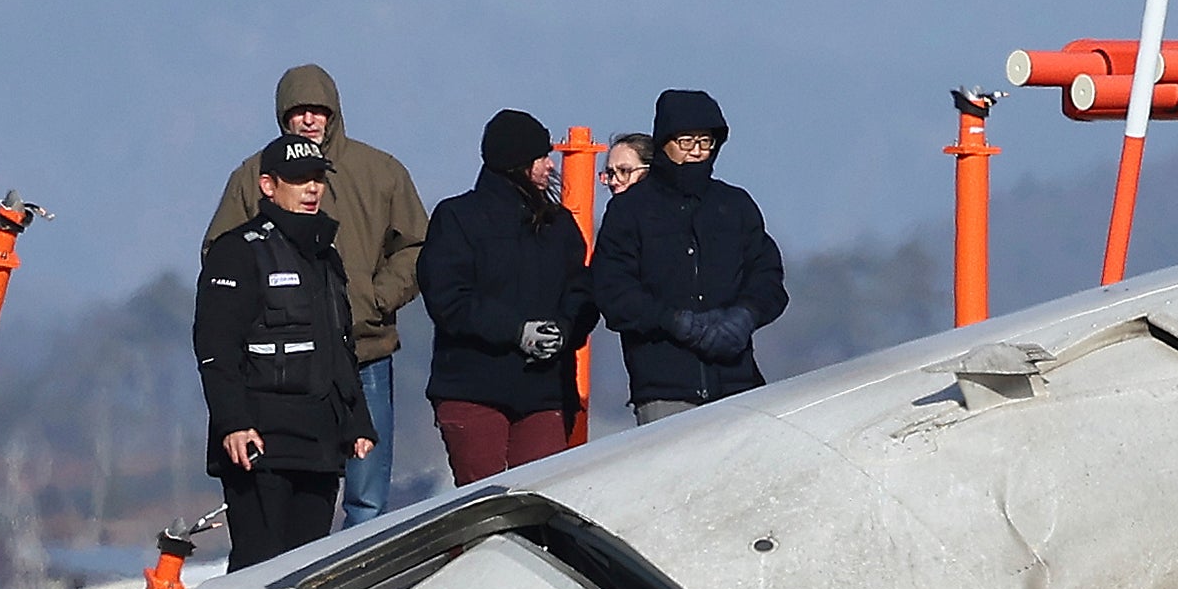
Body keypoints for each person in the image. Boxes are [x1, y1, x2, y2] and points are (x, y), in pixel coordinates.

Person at [204, 65, 429, 527]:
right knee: (294, 496)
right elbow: (220, 254)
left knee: (366, 497)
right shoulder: (252, 176)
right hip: (281, 369)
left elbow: (417, 246)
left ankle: (361, 586)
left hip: (365, 352)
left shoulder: (381, 171)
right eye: (298, 111)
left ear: (335, 113)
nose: (309, 120)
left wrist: (373, 299)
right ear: (282, 117)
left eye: (318, 111)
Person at [193, 133, 374, 568]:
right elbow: (215, 346)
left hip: (318, 445)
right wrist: (233, 423)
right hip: (259, 444)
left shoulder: (326, 256)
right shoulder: (236, 252)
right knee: (257, 571)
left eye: (317, 178)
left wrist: (356, 422)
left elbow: (340, 346)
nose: (312, 188)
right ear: (268, 186)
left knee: (305, 572)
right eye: (298, 179)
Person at [585, 89, 787, 422]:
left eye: (705, 142)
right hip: (664, 388)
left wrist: (745, 316)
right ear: (664, 142)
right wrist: (675, 322)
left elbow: (768, 277)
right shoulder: (629, 211)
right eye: (686, 142)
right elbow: (614, 292)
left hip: (737, 382)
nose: (696, 152)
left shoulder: (734, 206)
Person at [419, 111, 595, 483]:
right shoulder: (458, 218)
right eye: (541, 157)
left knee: (540, 500)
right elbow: (448, 299)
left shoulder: (558, 224)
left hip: (544, 390)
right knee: (482, 505)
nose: (550, 164)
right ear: (518, 163)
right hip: (472, 387)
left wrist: (565, 329)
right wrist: (516, 331)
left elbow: (581, 290)